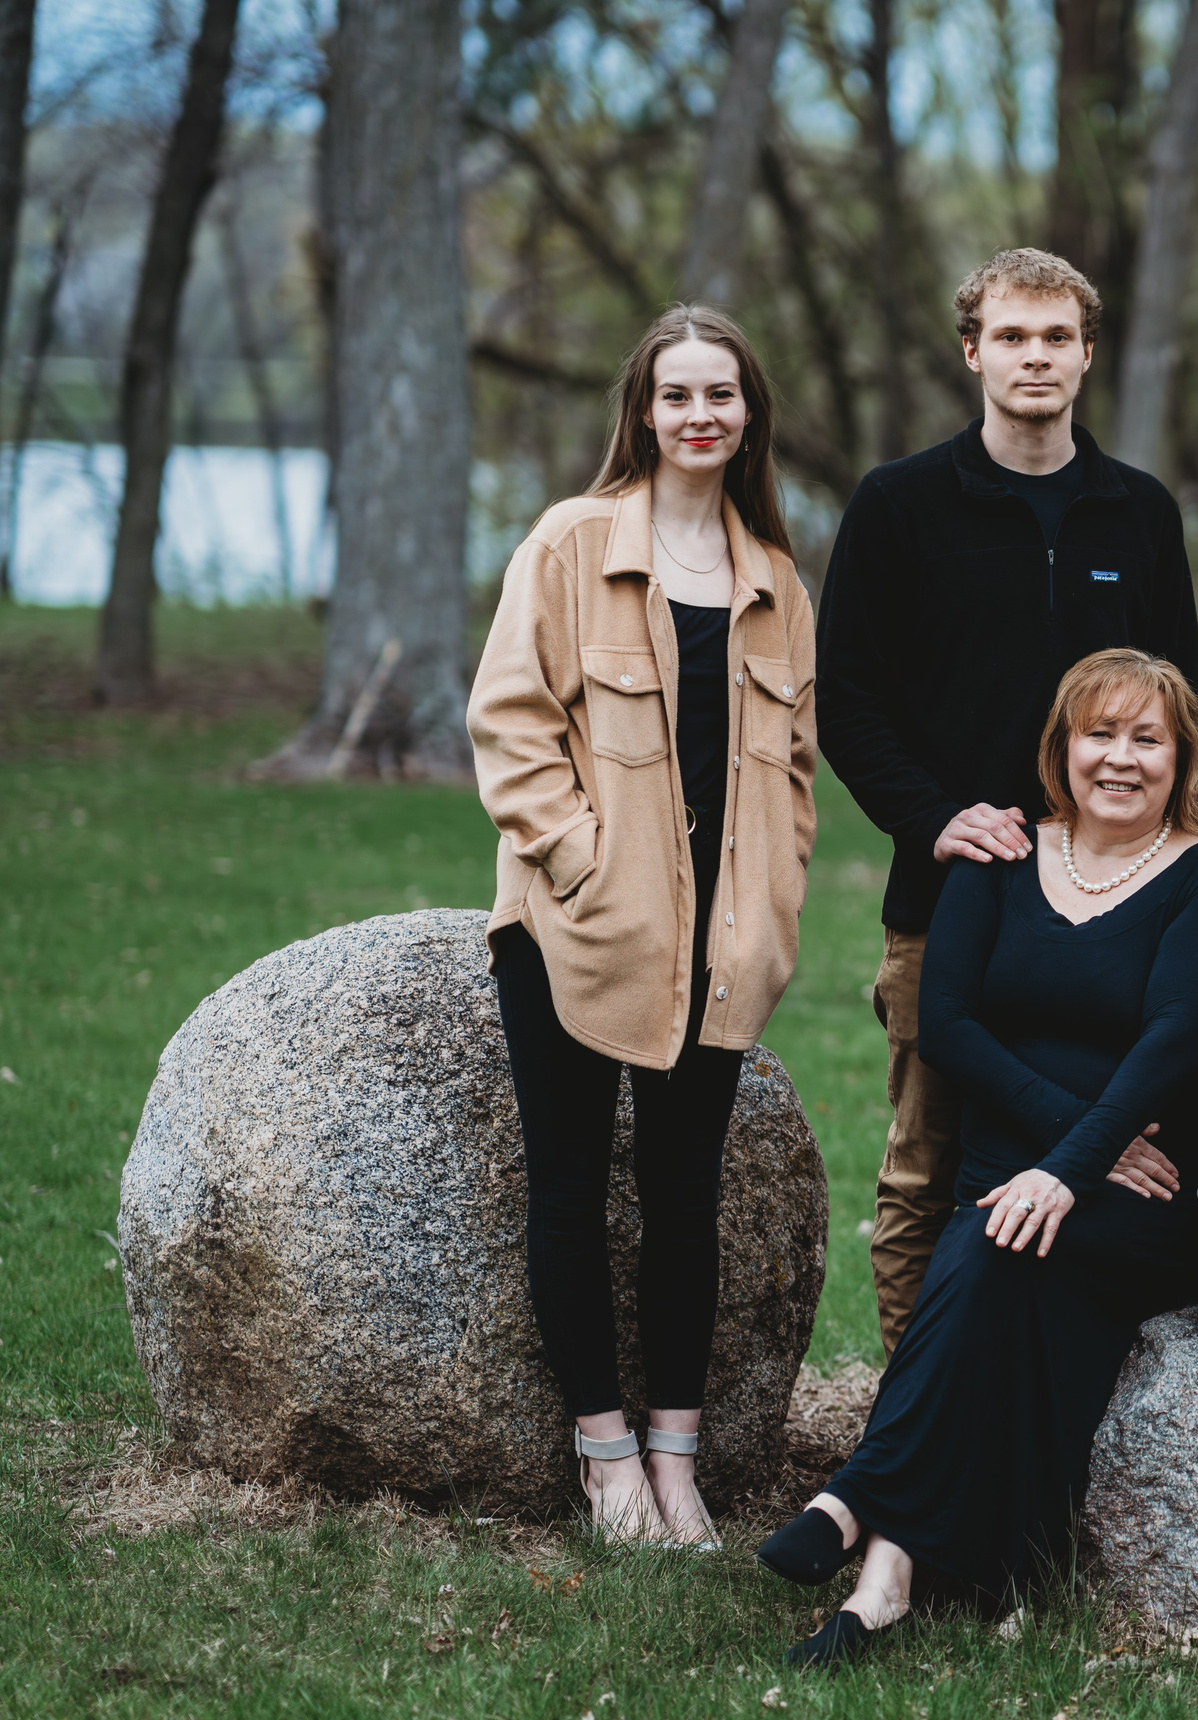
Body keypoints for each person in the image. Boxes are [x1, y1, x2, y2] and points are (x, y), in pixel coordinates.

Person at [758, 650, 1198, 1667]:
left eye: (1146, 738)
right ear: (1061, 749)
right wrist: (1082, 1144)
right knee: (994, 1253)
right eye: (1099, 734)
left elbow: (1171, 1042)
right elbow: (947, 1026)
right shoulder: (996, 859)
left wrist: (1074, 1165)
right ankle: (884, 1584)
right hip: (1033, 1170)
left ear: (1181, 755)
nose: (1119, 758)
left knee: (988, 1248)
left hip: (1146, 1197)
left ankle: (858, 1497)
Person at [467, 304, 817, 1546]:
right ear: (645, 411)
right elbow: (510, 723)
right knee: (567, 1191)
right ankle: (604, 1460)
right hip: (571, 926)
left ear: (748, 416)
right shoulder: (570, 541)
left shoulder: (774, 577)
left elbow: (795, 774)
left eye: (722, 394)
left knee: (686, 1199)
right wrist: (579, 863)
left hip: (718, 943)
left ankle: (677, 1459)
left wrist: (775, 901)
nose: (700, 415)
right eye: (678, 395)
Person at [815, 248, 1198, 1361]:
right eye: (1012, 335)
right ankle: (907, 1421)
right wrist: (931, 814)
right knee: (930, 1168)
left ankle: (1077, 1410)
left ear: (1086, 354)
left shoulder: (1138, 511)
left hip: (1112, 899)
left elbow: (1175, 708)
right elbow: (847, 701)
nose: (1036, 356)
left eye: (1057, 337)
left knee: (1120, 1154)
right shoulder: (897, 506)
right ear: (973, 349)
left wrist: (1157, 857)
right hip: (950, 896)